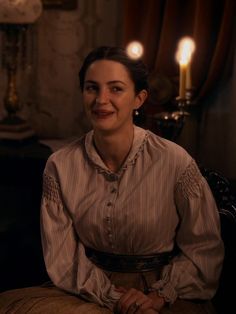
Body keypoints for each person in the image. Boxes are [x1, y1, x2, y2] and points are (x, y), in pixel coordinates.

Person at [0, 46, 224, 314]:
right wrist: (111, 296)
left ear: (139, 99)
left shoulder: (175, 161)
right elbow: (63, 257)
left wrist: (160, 295)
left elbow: (204, 249)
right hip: (86, 292)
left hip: (165, 295)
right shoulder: (60, 166)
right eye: (92, 88)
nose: (101, 99)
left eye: (116, 89)